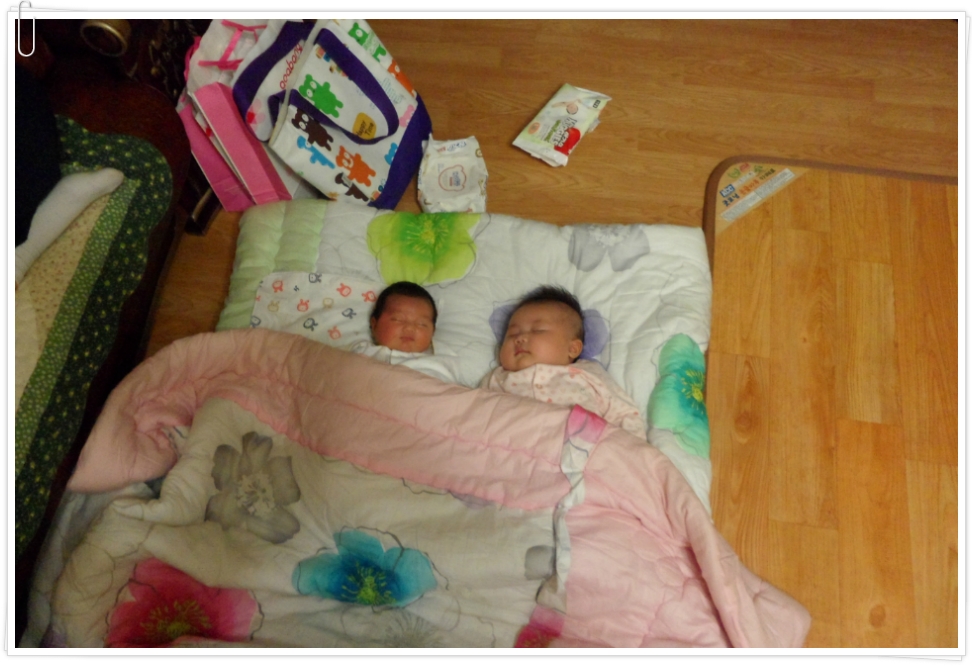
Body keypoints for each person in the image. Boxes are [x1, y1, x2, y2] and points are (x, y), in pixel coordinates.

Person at [480, 285, 647, 439]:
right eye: (512, 334)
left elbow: (623, 412)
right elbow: (474, 413)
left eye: (538, 330)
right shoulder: (496, 379)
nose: (520, 338)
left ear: (572, 348)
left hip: (576, 449)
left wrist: (632, 450)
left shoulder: (588, 373)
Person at [351, 281, 460, 384]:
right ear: (374, 324)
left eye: (422, 324)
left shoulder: (445, 360)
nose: (409, 328)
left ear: (433, 332)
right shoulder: (362, 353)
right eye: (397, 320)